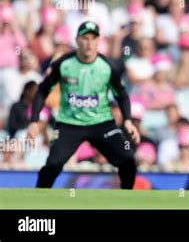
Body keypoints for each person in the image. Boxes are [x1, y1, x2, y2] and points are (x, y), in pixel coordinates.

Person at [26, 21, 140, 189]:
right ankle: (38, 200)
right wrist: (34, 121)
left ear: (98, 41)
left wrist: (128, 120)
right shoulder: (64, 64)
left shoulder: (107, 67)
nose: (89, 43)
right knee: (53, 165)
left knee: (128, 161)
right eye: (85, 38)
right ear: (77, 40)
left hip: (101, 123)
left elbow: (122, 96)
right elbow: (43, 91)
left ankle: (128, 199)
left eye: (93, 39)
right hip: (69, 124)